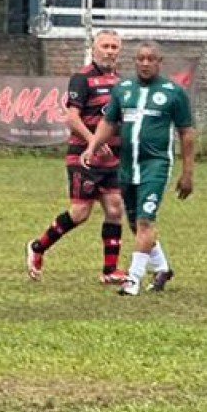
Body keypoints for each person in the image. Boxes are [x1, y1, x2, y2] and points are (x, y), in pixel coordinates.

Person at [26, 30, 125, 285]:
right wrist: (94, 142)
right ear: (94, 49)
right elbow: (71, 118)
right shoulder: (82, 79)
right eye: (105, 46)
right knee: (80, 212)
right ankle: (38, 247)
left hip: (113, 158)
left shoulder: (122, 83)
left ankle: (110, 270)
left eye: (115, 46)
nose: (110, 51)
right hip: (85, 157)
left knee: (115, 209)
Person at [102, 42, 194, 296]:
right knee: (134, 222)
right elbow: (109, 123)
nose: (145, 63)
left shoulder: (174, 92)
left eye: (150, 59)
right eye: (140, 59)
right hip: (127, 165)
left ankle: (133, 279)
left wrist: (188, 172)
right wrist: (92, 147)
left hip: (156, 165)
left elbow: (187, 132)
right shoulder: (123, 89)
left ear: (159, 61)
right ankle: (163, 269)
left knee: (145, 220)